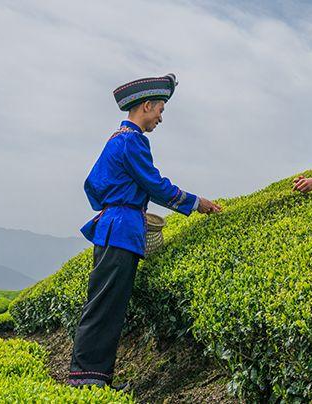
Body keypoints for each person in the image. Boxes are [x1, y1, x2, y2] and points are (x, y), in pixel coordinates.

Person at [68, 73, 221, 389]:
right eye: (160, 110)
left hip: (111, 226)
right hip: (122, 230)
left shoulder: (115, 140)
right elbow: (155, 184)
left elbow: (93, 186)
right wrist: (196, 203)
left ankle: (91, 377)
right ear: (147, 106)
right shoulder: (133, 141)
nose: (160, 118)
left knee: (104, 303)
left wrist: (119, 202)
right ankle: (87, 382)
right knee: (106, 307)